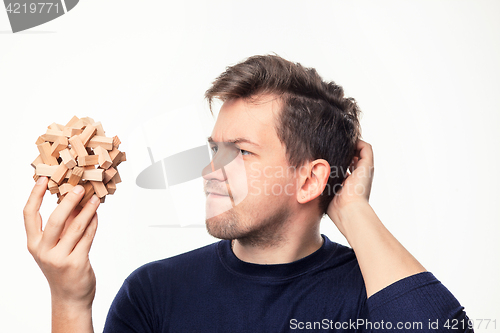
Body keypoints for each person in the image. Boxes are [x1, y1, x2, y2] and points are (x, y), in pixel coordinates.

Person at [24, 54, 472, 332]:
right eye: (214, 150)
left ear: (311, 179)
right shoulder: (155, 292)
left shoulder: (372, 296)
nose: (209, 171)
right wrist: (68, 301)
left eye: (238, 152)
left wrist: (352, 206)